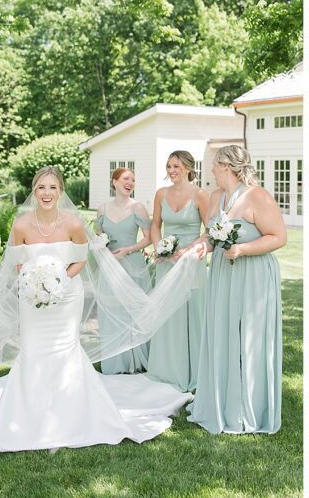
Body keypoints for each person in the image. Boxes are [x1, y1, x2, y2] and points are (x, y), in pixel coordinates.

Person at [0, 166, 202, 452]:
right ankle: (28, 416)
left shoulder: (73, 224)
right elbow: (17, 264)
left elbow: (79, 261)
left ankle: (70, 416)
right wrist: (35, 282)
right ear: (34, 191)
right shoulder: (22, 225)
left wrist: (60, 279)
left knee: (65, 350)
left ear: (61, 191)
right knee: (33, 350)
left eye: (52, 187)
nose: (47, 193)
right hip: (32, 297)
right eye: (41, 187)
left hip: (67, 297)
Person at [188, 145, 286, 434]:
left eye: (214, 166)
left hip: (253, 274)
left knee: (249, 337)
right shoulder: (217, 197)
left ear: (226, 166)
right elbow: (212, 234)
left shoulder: (258, 196)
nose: (211, 171)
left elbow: (279, 237)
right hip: (223, 273)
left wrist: (242, 248)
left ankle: (249, 406)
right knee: (223, 333)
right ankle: (222, 401)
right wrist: (201, 246)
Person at [146, 151, 210, 391]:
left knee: (192, 312)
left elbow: (209, 230)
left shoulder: (200, 195)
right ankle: (167, 368)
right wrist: (158, 248)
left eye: (176, 166)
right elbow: (155, 225)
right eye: (169, 166)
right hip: (166, 263)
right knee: (168, 314)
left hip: (191, 261)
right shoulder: (161, 194)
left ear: (187, 168)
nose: (171, 170)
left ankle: (194, 370)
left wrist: (187, 251)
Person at [95, 167, 153, 374]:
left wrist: (128, 249)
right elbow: (98, 238)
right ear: (115, 182)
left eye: (133, 180)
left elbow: (148, 238)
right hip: (110, 267)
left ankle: (138, 361)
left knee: (134, 312)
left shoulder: (138, 208)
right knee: (112, 311)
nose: (130, 183)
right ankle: (115, 361)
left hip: (133, 265)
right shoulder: (102, 209)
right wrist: (103, 249)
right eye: (126, 179)